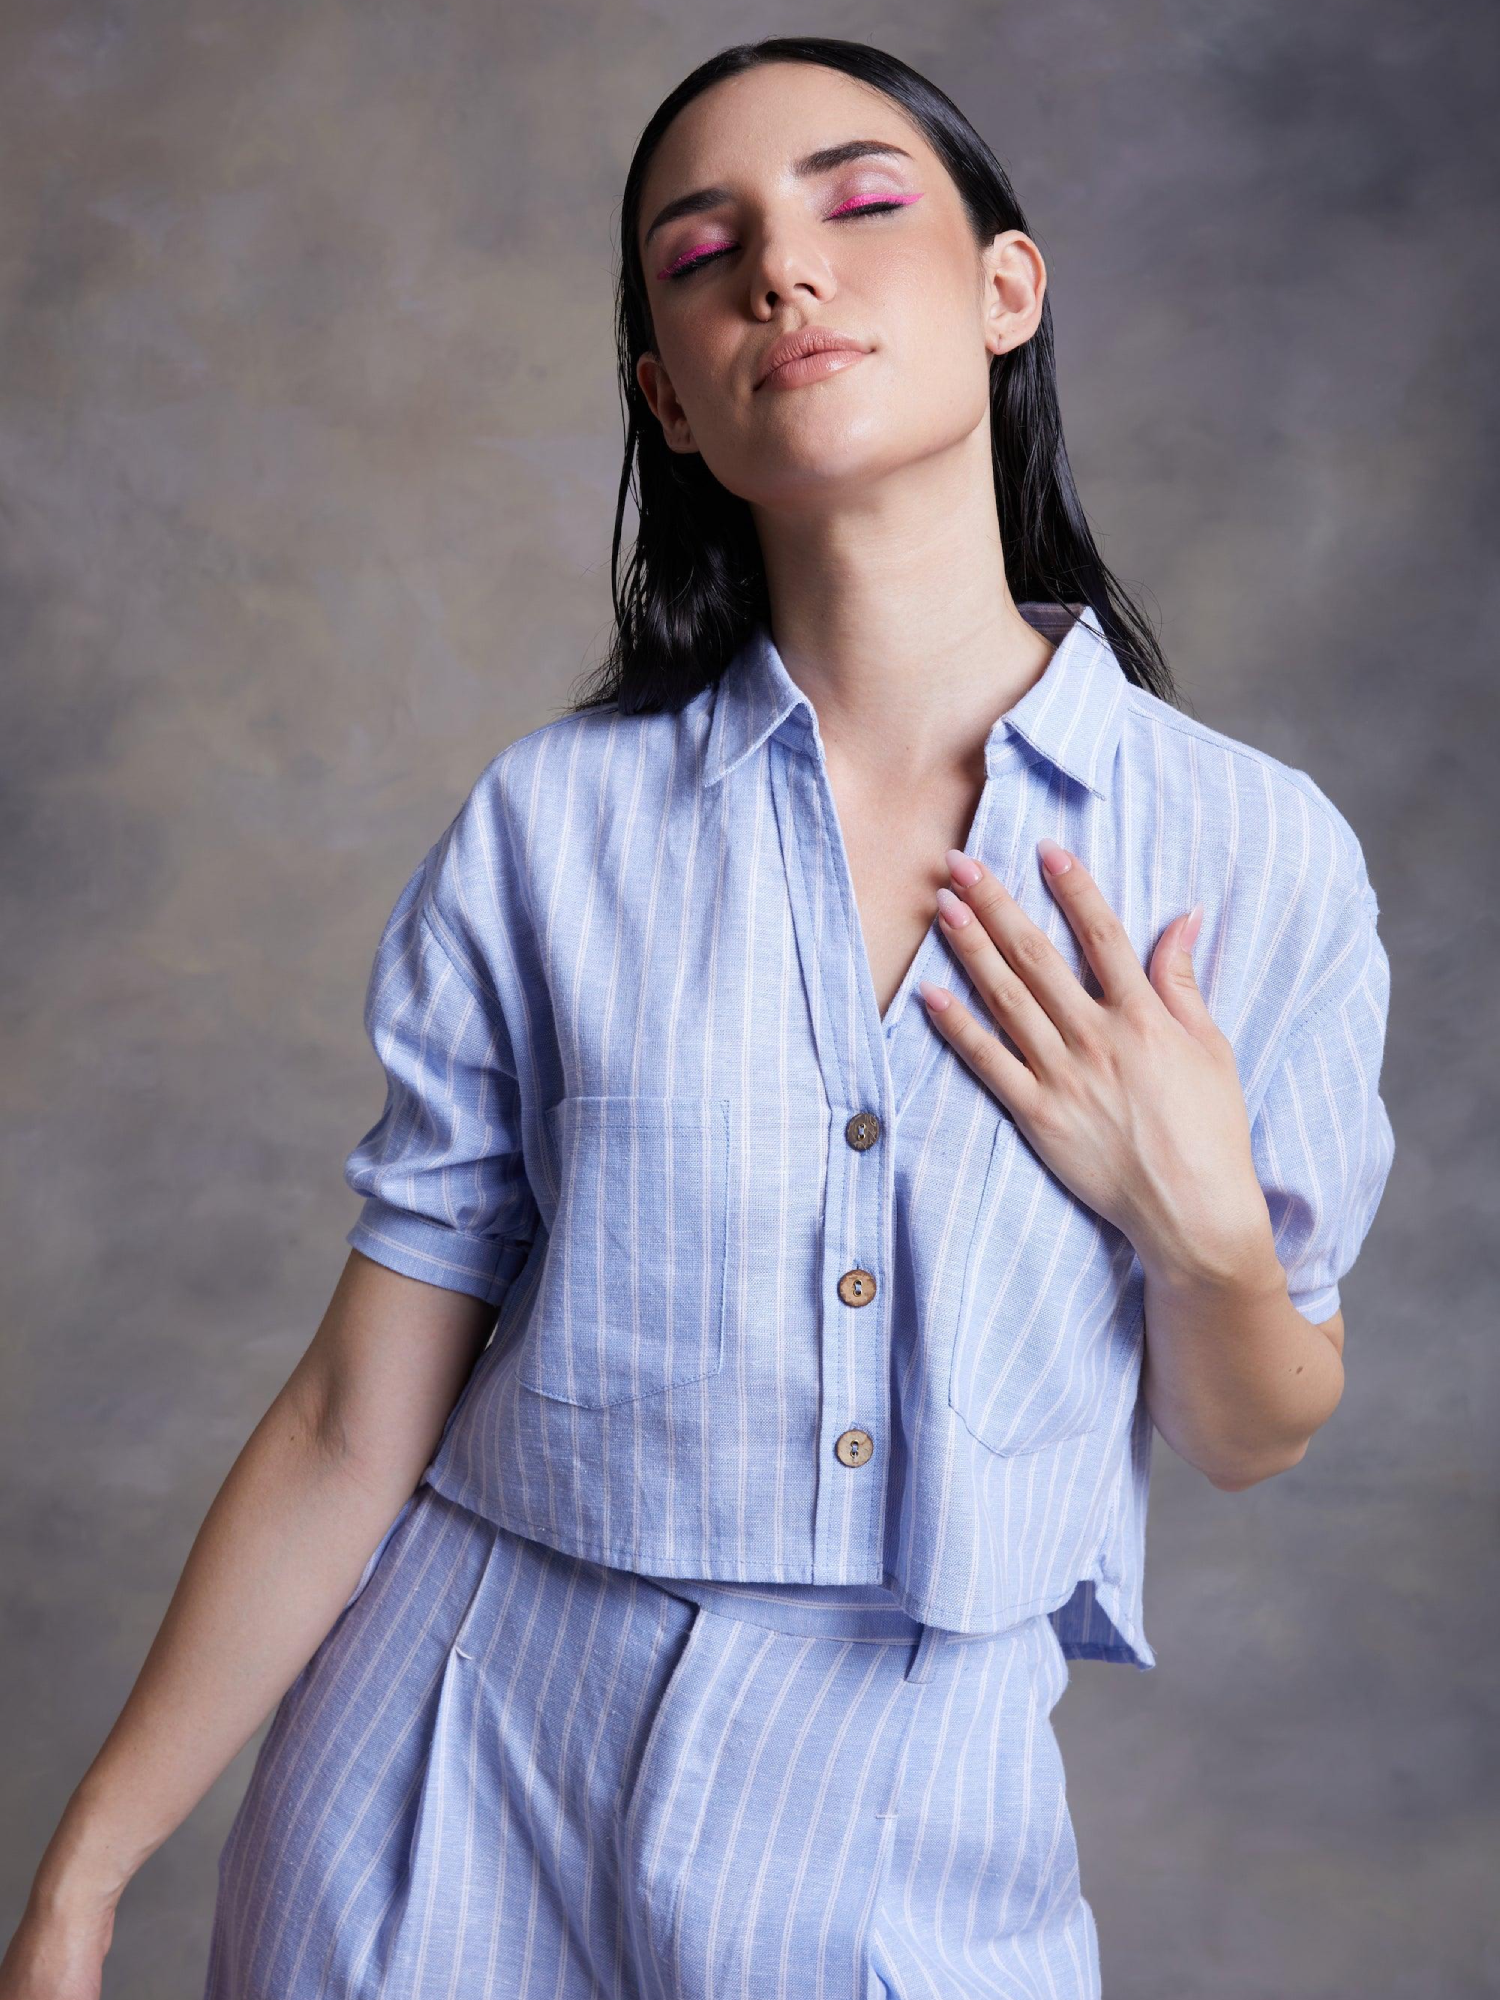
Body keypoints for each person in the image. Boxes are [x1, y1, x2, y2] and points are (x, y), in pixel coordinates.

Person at [0, 34, 1397, 2000]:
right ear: (669, 393)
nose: (782, 270)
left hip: (912, 1820)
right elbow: (351, 1410)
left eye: (859, 199)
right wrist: (86, 1870)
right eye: (702, 247)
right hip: (448, 1777)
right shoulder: (551, 828)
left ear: (1011, 288)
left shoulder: (1257, 854)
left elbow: (1259, 1426)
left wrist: (1207, 1229)